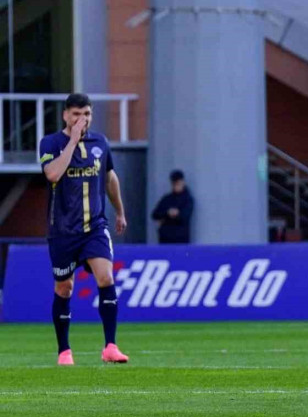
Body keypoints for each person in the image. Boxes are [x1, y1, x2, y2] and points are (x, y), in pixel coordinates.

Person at [38, 93, 129, 365]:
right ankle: (64, 351)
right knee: (64, 288)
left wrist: (120, 211)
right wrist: (73, 141)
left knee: (106, 278)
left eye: (87, 114)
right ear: (66, 115)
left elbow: (110, 177)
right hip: (63, 231)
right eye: (77, 114)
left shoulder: (101, 143)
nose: (82, 119)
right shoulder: (51, 143)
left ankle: (110, 346)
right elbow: (52, 174)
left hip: (95, 227)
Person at [151, 170, 194, 243]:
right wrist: (168, 213)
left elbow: (185, 216)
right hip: (166, 240)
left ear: (183, 183)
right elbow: (155, 214)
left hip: (181, 240)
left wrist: (176, 214)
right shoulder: (167, 199)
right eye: (174, 184)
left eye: (178, 183)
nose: (176, 186)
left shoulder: (187, 200)